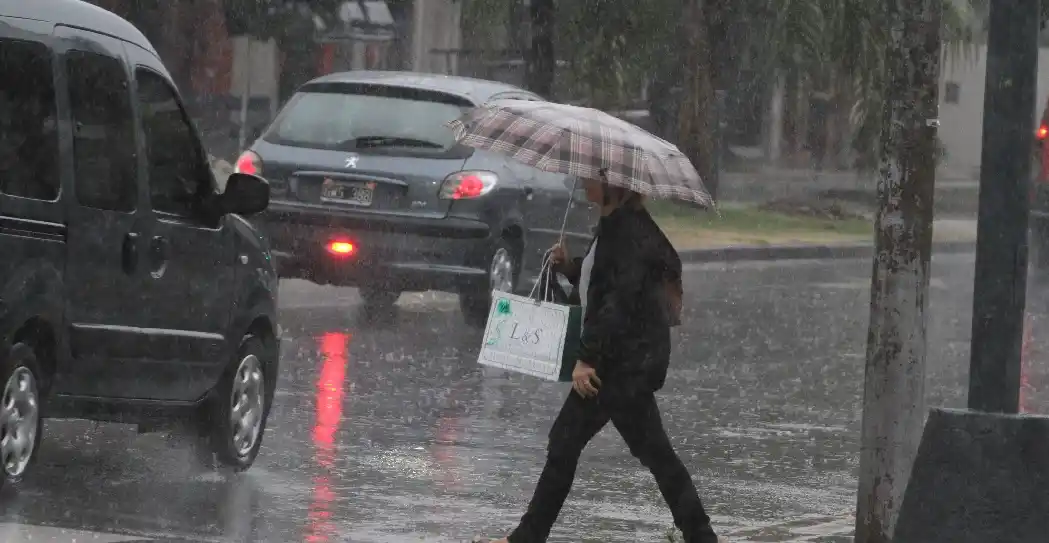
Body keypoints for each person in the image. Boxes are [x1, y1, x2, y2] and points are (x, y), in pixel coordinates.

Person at [487, 175, 721, 543]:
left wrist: (587, 360)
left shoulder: (629, 233)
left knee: (569, 443)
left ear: (617, 185)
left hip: (619, 367)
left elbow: (617, 304)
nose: (584, 180)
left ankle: (527, 538)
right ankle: (701, 535)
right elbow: (603, 281)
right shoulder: (616, 225)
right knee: (655, 456)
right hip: (628, 364)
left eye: (594, 176)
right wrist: (569, 267)